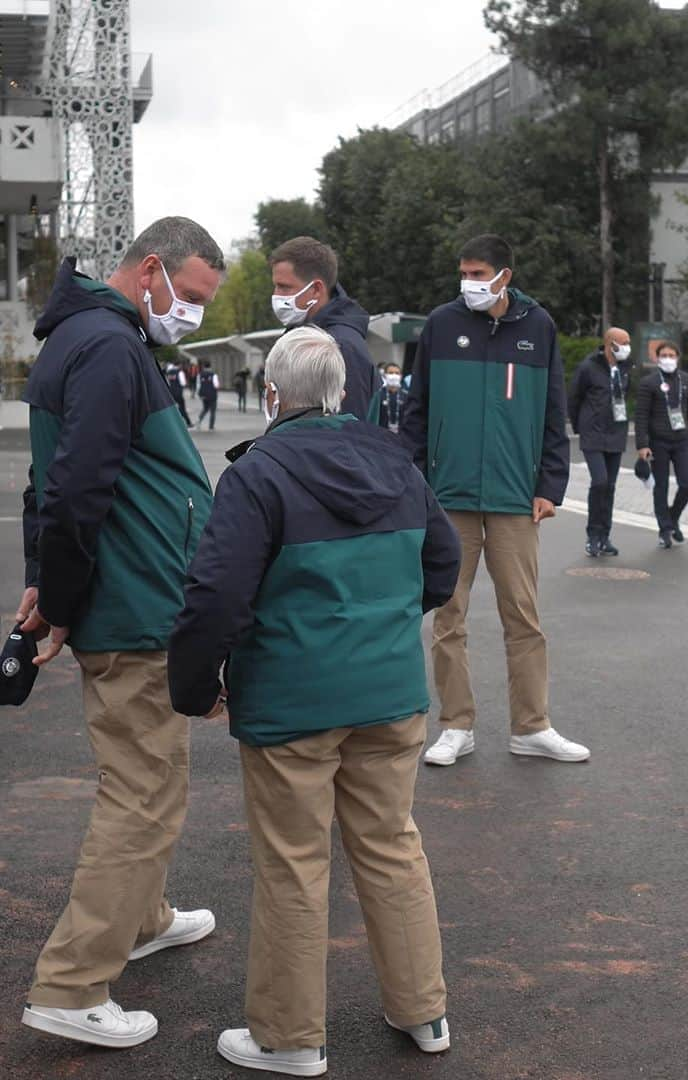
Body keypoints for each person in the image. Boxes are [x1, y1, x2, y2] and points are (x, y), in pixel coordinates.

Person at [168, 327, 461, 1075]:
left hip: (292, 702)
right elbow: (441, 563)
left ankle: (290, 1036)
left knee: (295, 864)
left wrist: (196, 687)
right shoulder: (394, 460)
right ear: (342, 390)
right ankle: (423, 1009)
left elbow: (215, 596)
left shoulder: (258, 475)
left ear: (273, 394)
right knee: (393, 848)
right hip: (390, 694)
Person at [17, 216, 225, 1049]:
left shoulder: (85, 338)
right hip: (135, 604)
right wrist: (60, 599)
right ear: (151, 272)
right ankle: (72, 983)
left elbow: (50, 481)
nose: (195, 315)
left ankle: (146, 918)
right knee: (143, 794)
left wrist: (47, 581)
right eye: (194, 296)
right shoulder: (108, 347)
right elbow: (75, 488)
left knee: (149, 779)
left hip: (129, 597)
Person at [400, 233, 589, 767]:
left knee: (523, 617)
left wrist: (550, 485)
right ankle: (456, 725)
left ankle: (532, 726)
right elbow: (416, 410)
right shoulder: (440, 324)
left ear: (506, 275)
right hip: (448, 496)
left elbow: (555, 412)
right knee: (447, 615)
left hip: (513, 497)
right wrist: (414, 480)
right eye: (464, 273)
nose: (469, 284)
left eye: (479, 274)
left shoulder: (539, 327)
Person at [270, 236, 381, 421]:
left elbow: (349, 433)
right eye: (275, 286)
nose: (276, 296)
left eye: (284, 287)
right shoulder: (306, 335)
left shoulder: (340, 347)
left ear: (316, 289)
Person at [567, 326, 633, 557]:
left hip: (616, 432)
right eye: (623, 343)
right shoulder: (589, 367)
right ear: (610, 344)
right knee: (600, 482)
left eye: (628, 343)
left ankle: (605, 536)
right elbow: (574, 398)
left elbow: (626, 396)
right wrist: (580, 426)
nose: (627, 347)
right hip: (593, 433)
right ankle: (592, 536)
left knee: (611, 486)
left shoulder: (626, 367)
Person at [635, 340, 688, 549]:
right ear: (657, 358)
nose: (668, 359)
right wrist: (642, 444)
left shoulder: (686, 381)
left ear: (678, 358)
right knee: (661, 487)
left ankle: (673, 518)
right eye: (663, 355)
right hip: (658, 442)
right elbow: (641, 416)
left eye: (671, 355)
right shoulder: (649, 383)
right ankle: (664, 529)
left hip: (682, 441)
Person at [376, 362, 407, 433]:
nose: (394, 375)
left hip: (401, 437)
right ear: (384, 375)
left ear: (401, 376)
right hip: (381, 436)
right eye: (390, 373)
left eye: (397, 373)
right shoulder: (378, 395)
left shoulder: (406, 396)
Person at [164, 360, 192, 427]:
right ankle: (188, 422)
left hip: (171, 392)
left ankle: (173, 422)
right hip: (178, 392)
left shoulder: (169, 372)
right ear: (179, 365)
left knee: (172, 408)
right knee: (182, 407)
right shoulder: (180, 372)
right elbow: (183, 383)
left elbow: (167, 382)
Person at [195, 359, 220, 430]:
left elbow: (198, 385)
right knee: (213, 411)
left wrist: (199, 394)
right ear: (210, 366)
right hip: (212, 395)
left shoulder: (200, 375)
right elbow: (216, 385)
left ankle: (199, 421)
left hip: (203, 395)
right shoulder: (213, 374)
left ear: (203, 366)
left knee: (205, 409)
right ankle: (211, 426)